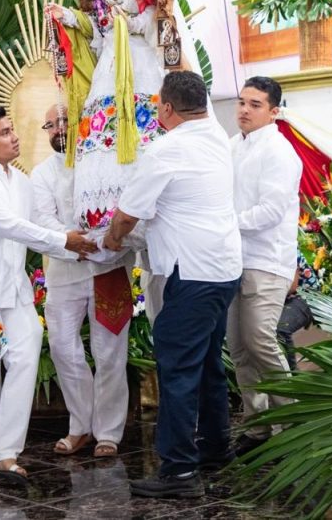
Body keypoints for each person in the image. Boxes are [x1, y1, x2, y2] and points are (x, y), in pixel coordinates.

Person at [102, 71, 242, 499]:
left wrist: (111, 240)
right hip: (224, 269)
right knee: (208, 362)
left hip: (193, 273)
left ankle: (179, 471)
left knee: (178, 368)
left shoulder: (166, 149)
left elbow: (127, 215)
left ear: (165, 108)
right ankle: (215, 446)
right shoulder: (218, 136)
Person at [0, 107, 97, 484]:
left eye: (12, 129)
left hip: (14, 290)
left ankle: (5, 451)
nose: (14, 137)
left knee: (26, 357)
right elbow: (10, 226)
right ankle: (1, 455)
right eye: (4, 133)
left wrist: (76, 249)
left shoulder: (20, 181)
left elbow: (36, 228)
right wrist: (64, 241)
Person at [43, 0, 165, 233]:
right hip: (109, 60)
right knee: (102, 129)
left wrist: (126, 22)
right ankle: (109, 207)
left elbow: (150, 21)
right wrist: (66, 15)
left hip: (137, 57)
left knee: (142, 124)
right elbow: (94, 27)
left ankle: (147, 203)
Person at [30, 105, 131, 459]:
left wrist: (98, 244)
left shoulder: (105, 163)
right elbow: (42, 220)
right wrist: (78, 244)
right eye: (52, 123)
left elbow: (121, 208)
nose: (59, 129)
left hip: (109, 270)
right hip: (64, 272)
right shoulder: (42, 173)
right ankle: (80, 426)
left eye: (65, 122)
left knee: (110, 353)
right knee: (62, 348)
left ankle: (109, 432)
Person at [225, 76, 303, 457]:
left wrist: (225, 223)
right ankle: (257, 428)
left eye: (254, 104)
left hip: (267, 260)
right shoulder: (231, 146)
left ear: (274, 112)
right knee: (239, 348)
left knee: (260, 341)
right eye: (242, 102)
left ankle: (290, 426)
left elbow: (271, 211)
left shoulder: (280, 151)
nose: (244, 110)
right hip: (232, 259)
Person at [276, 253, 318, 371]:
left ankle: (292, 373)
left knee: (281, 328)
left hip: (305, 295)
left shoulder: (286, 248)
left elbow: (292, 286)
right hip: (281, 296)